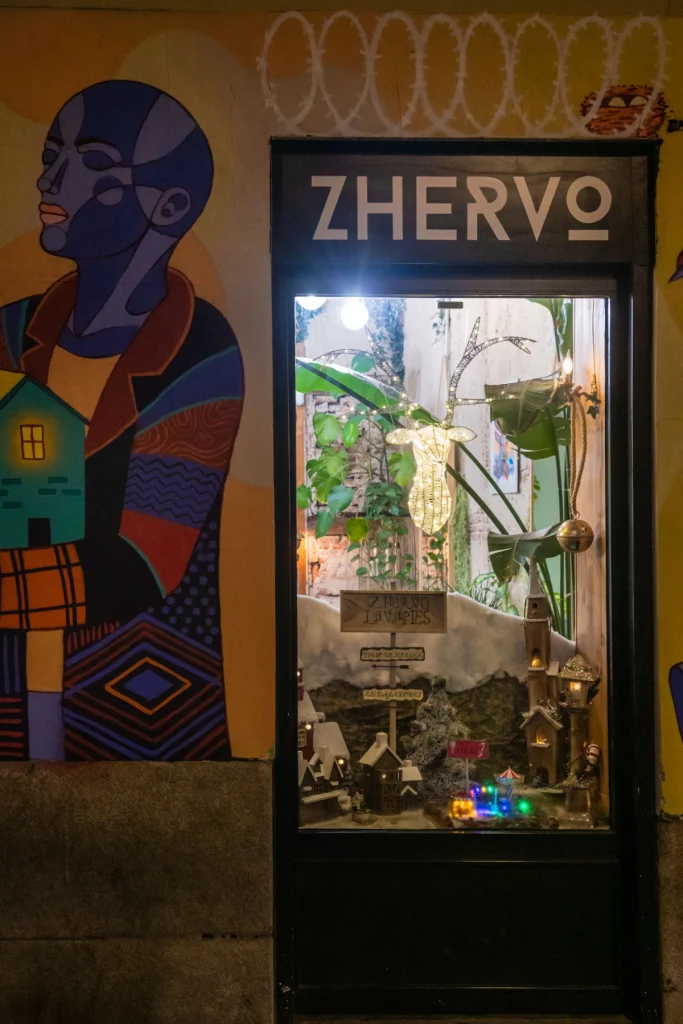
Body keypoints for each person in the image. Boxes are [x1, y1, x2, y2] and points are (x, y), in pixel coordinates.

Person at [0, 80, 243, 761]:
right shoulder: (11, 334)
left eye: (95, 162)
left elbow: (142, 562)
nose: (52, 179)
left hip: (137, 702)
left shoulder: (198, 347)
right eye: (52, 154)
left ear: (169, 205)